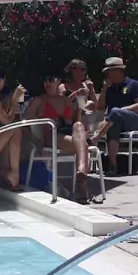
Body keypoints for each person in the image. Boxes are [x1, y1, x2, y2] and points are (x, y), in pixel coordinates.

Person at [24, 71, 93, 202]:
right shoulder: (39, 100)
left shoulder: (66, 100)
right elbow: (24, 124)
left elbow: (75, 122)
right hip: (51, 136)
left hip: (68, 134)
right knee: (83, 147)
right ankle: (82, 180)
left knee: (78, 126)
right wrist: (35, 138)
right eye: (44, 80)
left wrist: (79, 108)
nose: (47, 83)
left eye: (50, 79)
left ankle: (81, 174)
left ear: (58, 81)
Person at [89, 57, 138, 174]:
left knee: (115, 112)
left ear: (118, 71)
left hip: (133, 121)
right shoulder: (109, 89)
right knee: (113, 125)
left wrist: (121, 110)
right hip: (114, 122)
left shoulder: (133, 84)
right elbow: (100, 108)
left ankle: (97, 137)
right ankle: (113, 166)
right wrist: (104, 88)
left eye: (109, 72)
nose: (107, 75)